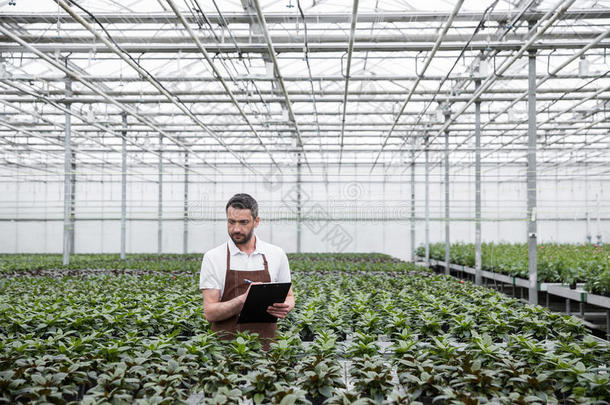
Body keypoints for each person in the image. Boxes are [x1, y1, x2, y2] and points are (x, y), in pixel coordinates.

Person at [199, 193, 295, 347]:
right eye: (231, 222)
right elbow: (210, 312)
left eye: (243, 222)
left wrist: (286, 306)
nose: (236, 229)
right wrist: (243, 300)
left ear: (256, 222)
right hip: (225, 352)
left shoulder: (276, 254)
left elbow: (290, 297)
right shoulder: (213, 257)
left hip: (267, 348)